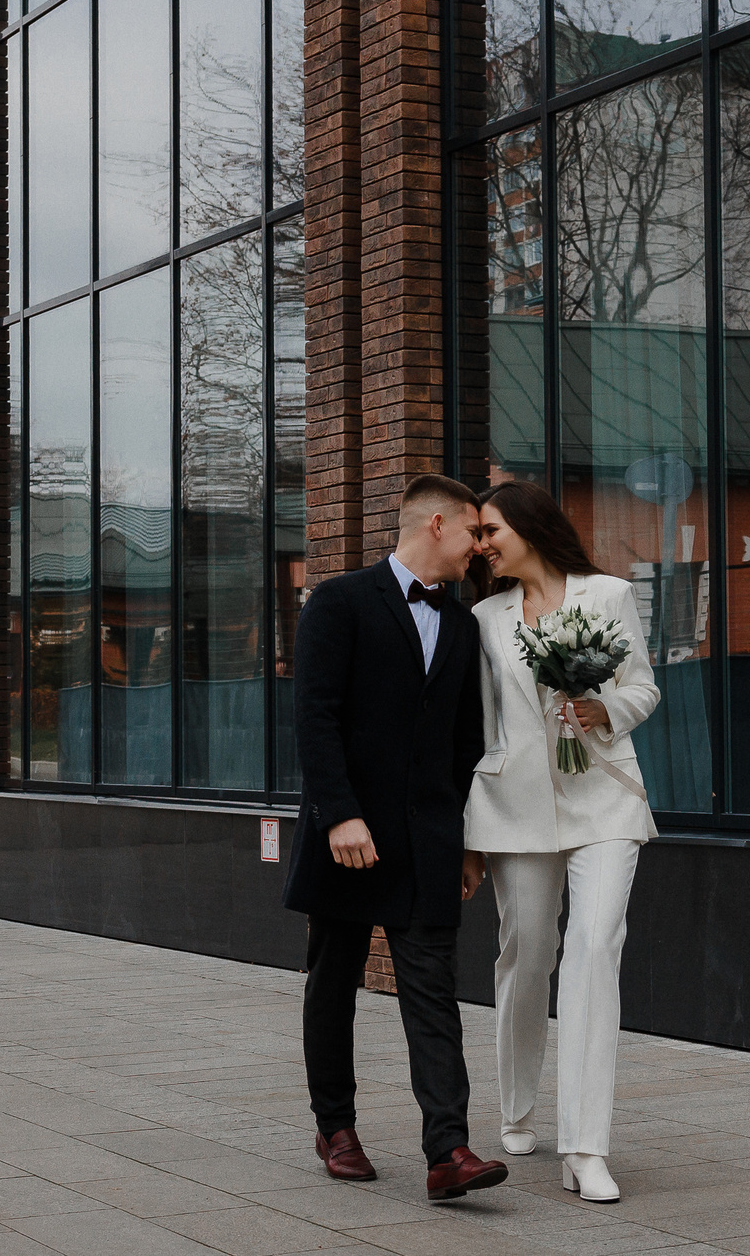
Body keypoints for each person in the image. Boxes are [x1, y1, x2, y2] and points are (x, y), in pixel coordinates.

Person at [281, 473, 509, 1203]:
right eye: (475, 531)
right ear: (436, 524)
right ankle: (335, 1125)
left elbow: (466, 743)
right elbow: (314, 718)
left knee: (433, 993)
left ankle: (448, 1149)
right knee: (333, 981)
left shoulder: (465, 625)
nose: (481, 548)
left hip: (429, 842)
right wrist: (340, 813)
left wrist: (470, 841)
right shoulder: (339, 601)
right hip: (348, 834)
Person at [460, 479, 661, 1204]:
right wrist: (469, 834)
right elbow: (482, 730)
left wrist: (597, 705)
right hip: (514, 808)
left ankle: (585, 1146)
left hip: (603, 796)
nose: (480, 544)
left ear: (530, 526)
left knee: (594, 948)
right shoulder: (484, 616)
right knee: (529, 949)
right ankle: (516, 1105)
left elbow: (642, 687)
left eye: (489, 530)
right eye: (477, 534)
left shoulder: (607, 594)